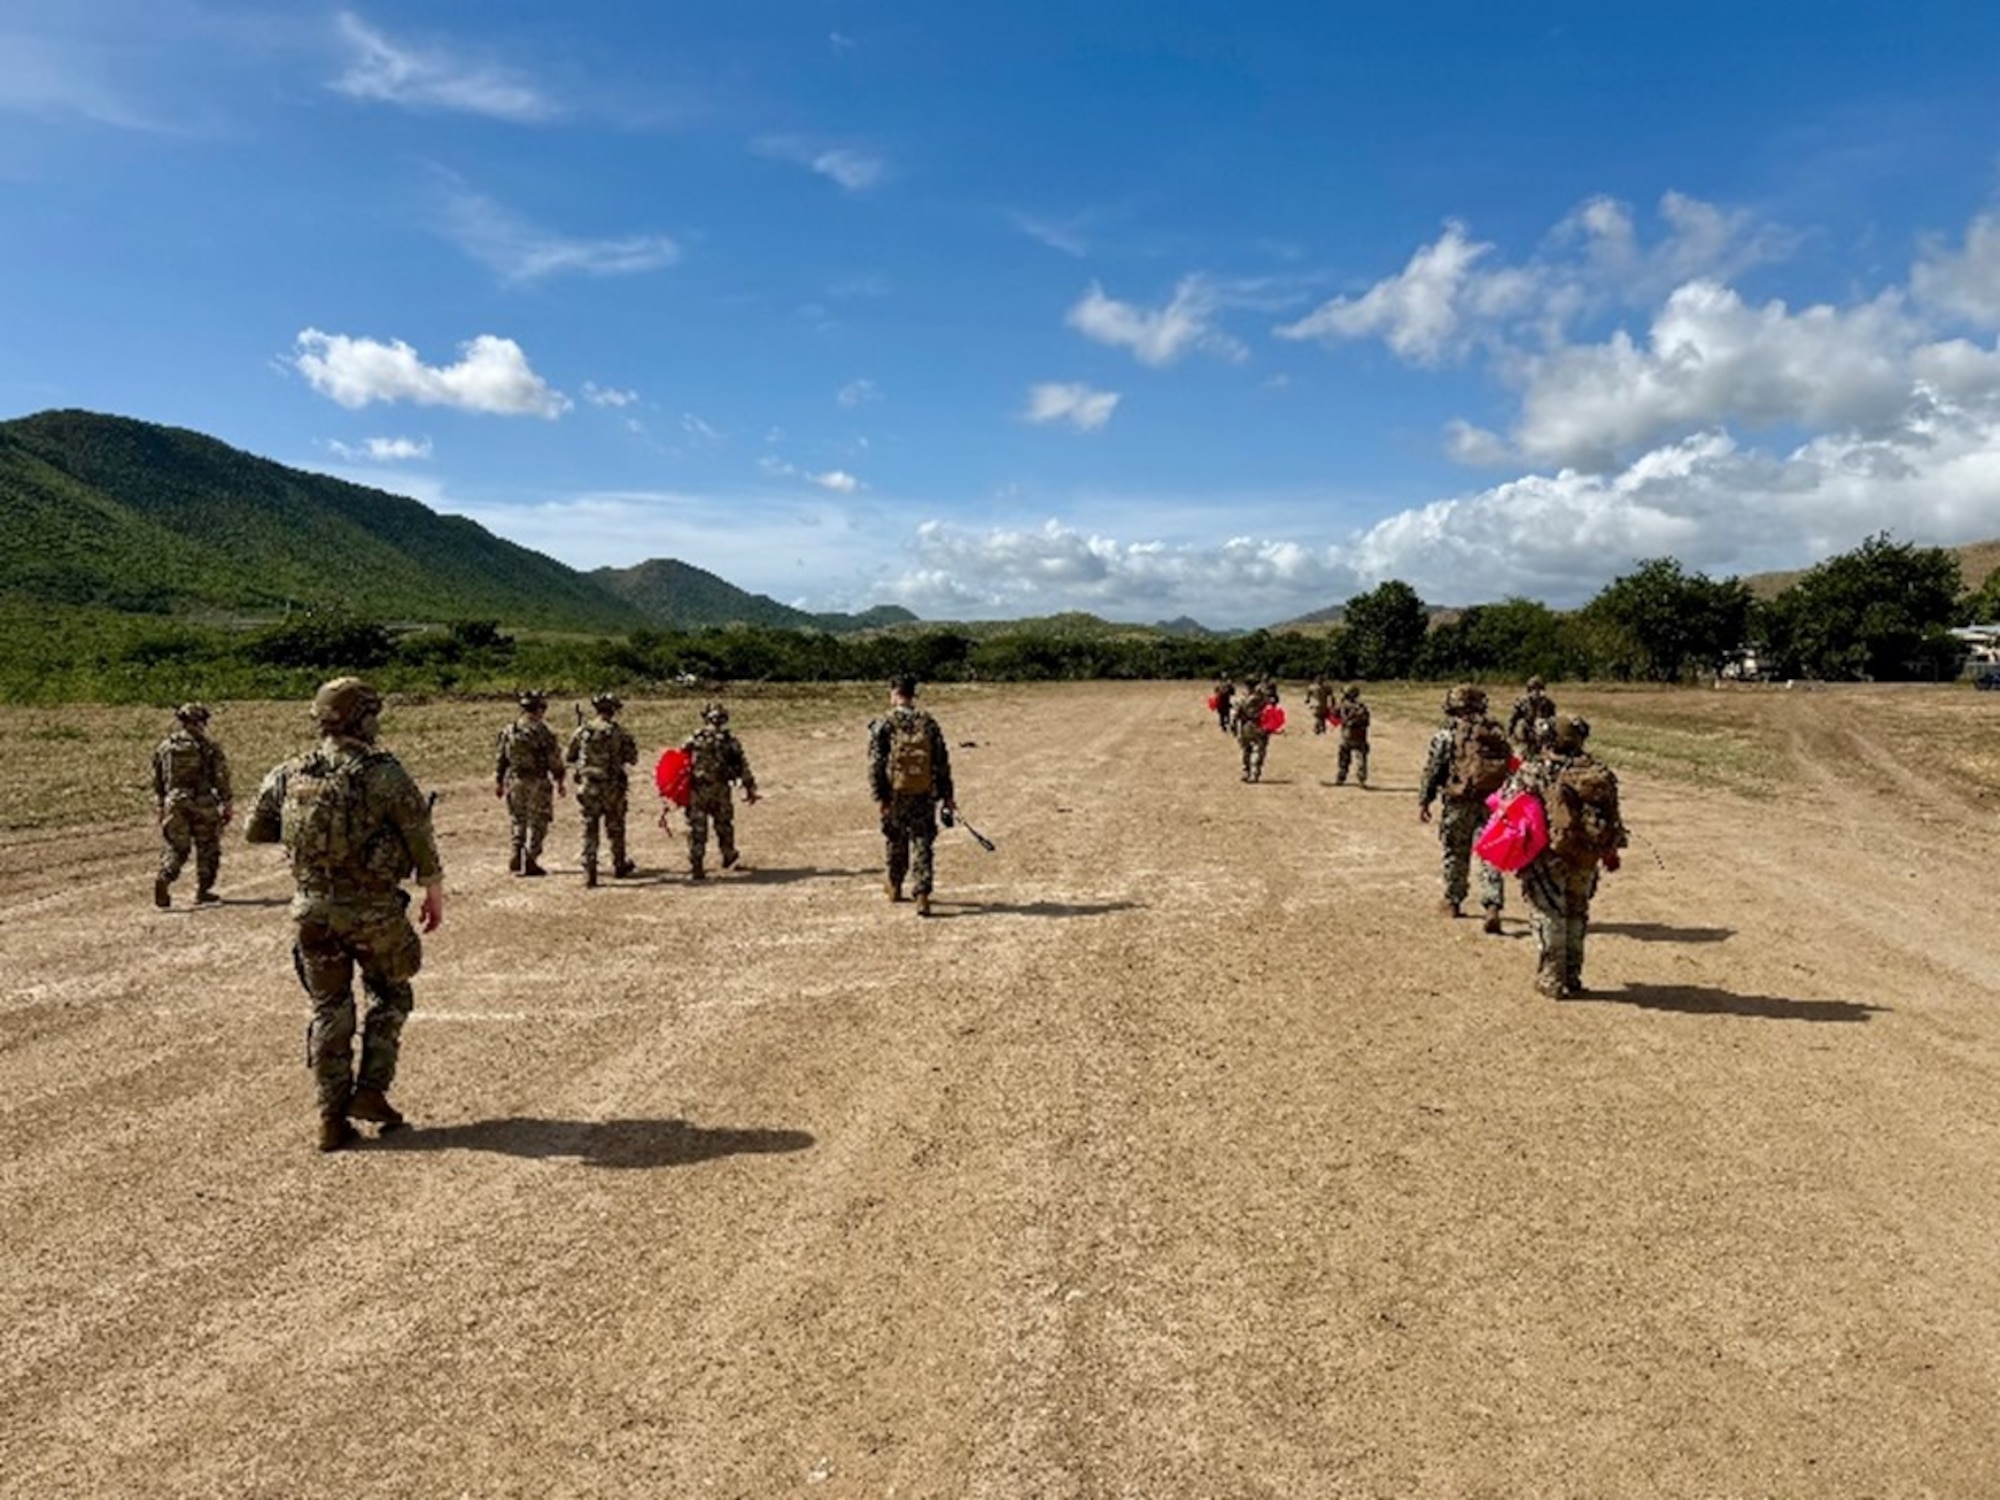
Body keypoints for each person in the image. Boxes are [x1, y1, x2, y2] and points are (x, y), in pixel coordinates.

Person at [244, 678, 444, 1152]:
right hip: (373, 910)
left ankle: (330, 1118)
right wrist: (432, 892)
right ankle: (372, 1092)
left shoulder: (289, 772)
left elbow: (257, 829)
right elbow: (420, 838)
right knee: (391, 994)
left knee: (329, 1010)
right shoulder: (384, 773)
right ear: (363, 719)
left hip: (312, 908)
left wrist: (315, 841)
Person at [1513, 715, 1628, 997]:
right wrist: (1609, 851)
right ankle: (1573, 975)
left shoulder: (1535, 770)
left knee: (1549, 913)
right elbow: (1613, 815)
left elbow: (1511, 805)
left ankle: (1552, 977)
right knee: (1577, 911)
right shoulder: (1598, 771)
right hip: (1587, 855)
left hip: (1548, 856)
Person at [1416, 684, 1510, 920]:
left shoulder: (1445, 735)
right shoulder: (1494, 733)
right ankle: (1492, 904)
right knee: (1490, 853)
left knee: (1455, 852)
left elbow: (1434, 770)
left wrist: (1425, 800)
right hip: (1490, 802)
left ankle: (1453, 901)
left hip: (1458, 802)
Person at [868, 674, 956, 917]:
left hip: (896, 792)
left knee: (895, 838)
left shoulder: (884, 723)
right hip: (924, 792)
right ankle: (922, 894)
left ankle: (895, 884)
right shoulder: (928, 723)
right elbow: (941, 762)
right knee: (922, 840)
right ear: (913, 694)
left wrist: (880, 796)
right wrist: (947, 795)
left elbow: (876, 764)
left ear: (894, 693)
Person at [150, 702, 232, 907]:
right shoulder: (208, 747)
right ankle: (203, 890)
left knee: (176, 847)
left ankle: (165, 877)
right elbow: (220, 776)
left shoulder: (165, 746)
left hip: (174, 801)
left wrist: (161, 804)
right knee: (208, 847)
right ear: (201, 721)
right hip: (202, 802)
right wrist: (227, 801)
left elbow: (158, 779)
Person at [566, 692, 638, 887]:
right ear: (613, 710)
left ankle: (590, 871)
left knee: (590, 828)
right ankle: (619, 864)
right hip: (612, 787)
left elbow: (569, 756)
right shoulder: (620, 732)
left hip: (589, 786)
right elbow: (632, 758)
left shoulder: (583, 731)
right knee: (615, 828)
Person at [681, 701, 759, 880]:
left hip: (697, 790)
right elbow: (742, 767)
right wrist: (750, 788)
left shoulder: (694, 739)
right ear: (723, 719)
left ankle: (697, 865)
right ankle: (728, 856)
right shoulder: (729, 741)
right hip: (720, 790)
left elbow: (679, 763)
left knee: (697, 828)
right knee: (724, 825)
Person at [494, 690, 565, 876]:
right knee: (539, 820)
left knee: (518, 818)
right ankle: (531, 858)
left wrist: (499, 781)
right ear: (540, 708)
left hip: (515, 779)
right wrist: (560, 779)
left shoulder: (510, 730)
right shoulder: (542, 731)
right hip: (538, 780)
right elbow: (553, 759)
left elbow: (501, 757)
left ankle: (516, 851)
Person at [1232, 676, 1272, 783]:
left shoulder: (1242, 698)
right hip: (1260, 725)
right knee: (1258, 750)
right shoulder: (1263, 697)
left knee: (1246, 750)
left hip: (1245, 726)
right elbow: (1270, 711)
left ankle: (1246, 772)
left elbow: (1235, 713)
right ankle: (1254, 773)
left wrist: (1234, 726)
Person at [1507, 675, 1558, 757]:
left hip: (1542, 729)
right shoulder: (1521, 703)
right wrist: (1509, 735)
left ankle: (1546, 748)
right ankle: (1524, 748)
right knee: (1521, 724)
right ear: (1529, 690)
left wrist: (1546, 723)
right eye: (1533, 689)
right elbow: (1512, 720)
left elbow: (1553, 718)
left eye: (1539, 689)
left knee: (1546, 726)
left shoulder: (1548, 703)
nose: (1536, 692)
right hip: (1527, 730)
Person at [1334, 684, 1371, 787]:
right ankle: (1361, 778)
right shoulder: (1361, 707)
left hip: (1346, 735)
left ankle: (1341, 776)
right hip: (1360, 736)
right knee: (1361, 758)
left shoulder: (1342, 705)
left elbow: (1334, 714)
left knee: (1344, 757)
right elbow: (1367, 722)